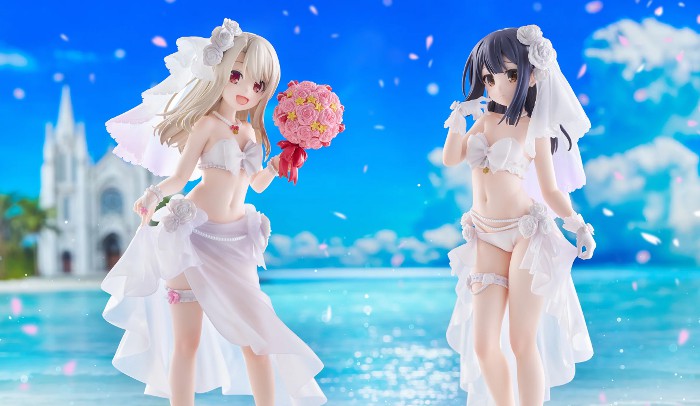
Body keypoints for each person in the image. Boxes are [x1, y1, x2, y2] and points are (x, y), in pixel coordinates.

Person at [100, 18, 326, 406]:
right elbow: (180, 177)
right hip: (192, 236)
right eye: (237, 76)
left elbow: (254, 185)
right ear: (219, 72)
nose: (246, 91)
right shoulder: (206, 125)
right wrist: (153, 195)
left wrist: (278, 164)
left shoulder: (251, 133)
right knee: (186, 342)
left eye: (258, 85)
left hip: (237, 241)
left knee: (258, 341)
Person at [443, 25, 596, 405]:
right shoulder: (484, 121)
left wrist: (578, 226)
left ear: (532, 75)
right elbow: (451, 158)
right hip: (485, 233)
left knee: (521, 340)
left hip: (527, 232)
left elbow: (550, 189)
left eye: (511, 74)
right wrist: (459, 120)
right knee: (482, 345)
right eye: (488, 78)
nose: (498, 86)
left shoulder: (534, 129)